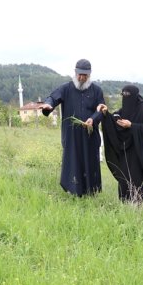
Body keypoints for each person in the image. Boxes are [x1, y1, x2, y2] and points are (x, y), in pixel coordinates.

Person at [39, 59, 105, 196]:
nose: (81, 78)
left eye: (85, 75)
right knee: (73, 162)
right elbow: (53, 98)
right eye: (79, 74)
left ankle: (91, 193)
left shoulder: (97, 90)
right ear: (75, 73)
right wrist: (48, 105)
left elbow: (101, 109)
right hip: (71, 136)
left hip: (89, 135)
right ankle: (73, 192)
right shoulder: (66, 88)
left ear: (89, 75)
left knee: (90, 162)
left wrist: (92, 119)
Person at [98, 85, 143, 206]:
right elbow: (115, 120)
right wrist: (107, 114)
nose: (125, 97)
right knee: (125, 180)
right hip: (126, 153)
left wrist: (132, 125)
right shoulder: (126, 108)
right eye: (123, 95)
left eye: (128, 95)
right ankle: (126, 206)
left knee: (140, 181)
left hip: (140, 154)